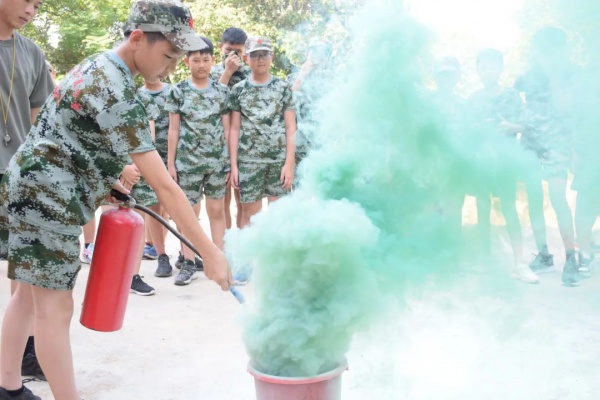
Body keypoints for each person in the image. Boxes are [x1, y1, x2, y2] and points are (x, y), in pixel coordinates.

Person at [0, 1, 231, 399]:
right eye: (169, 55)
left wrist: (104, 180)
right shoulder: (117, 88)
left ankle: (7, 385)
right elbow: (166, 187)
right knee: (55, 311)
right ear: (138, 38)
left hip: (32, 186)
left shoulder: (99, 65)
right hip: (46, 198)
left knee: (25, 295)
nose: (172, 67)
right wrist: (209, 252)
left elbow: (69, 137)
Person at [0, 0, 55, 387]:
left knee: (25, 274)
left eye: (38, 4)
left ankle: (24, 353)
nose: (31, 9)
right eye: (26, 0)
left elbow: (42, 121)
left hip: (18, 177)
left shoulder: (31, 52)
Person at [468, 49, 540, 284]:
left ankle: (519, 264)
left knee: (509, 209)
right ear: (478, 70)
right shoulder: (473, 100)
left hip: (504, 163)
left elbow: (525, 127)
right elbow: (465, 133)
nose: (489, 70)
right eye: (484, 66)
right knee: (482, 210)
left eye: (493, 66)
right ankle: (484, 262)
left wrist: (510, 126)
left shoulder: (511, 96)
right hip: (480, 163)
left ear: (500, 69)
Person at [515, 27, 579, 287]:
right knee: (533, 198)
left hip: (557, 143)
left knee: (557, 198)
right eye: (541, 48)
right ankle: (543, 255)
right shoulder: (528, 75)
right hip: (531, 142)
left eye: (552, 48)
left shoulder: (571, 73)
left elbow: (566, 107)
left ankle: (572, 259)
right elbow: (518, 99)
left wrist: (553, 74)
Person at [165, 37, 230, 286]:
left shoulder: (222, 92)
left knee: (216, 211)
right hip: (187, 163)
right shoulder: (178, 91)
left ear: (213, 61)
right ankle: (189, 261)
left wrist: (228, 163)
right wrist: (171, 164)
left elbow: (227, 129)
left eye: (205, 60)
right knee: (188, 214)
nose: (201, 65)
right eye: (196, 60)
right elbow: (173, 129)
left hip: (216, 163)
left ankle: (219, 259)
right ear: (187, 61)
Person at [229, 36, 296, 228]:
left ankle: (276, 258)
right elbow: (234, 129)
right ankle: (247, 258)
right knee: (249, 215)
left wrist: (289, 163)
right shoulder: (238, 90)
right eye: (255, 55)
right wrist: (234, 165)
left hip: (278, 162)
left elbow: (291, 127)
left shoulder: (283, 88)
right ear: (246, 58)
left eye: (264, 54)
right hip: (249, 162)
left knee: (279, 216)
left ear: (271, 57)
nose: (260, 59)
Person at [210, 27, 250, 230]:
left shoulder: (251, 74)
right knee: (221, 200)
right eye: (228, 51)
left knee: (245, 199)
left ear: (244, 51)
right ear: (220, 48)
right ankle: (224, 247)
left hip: (245, 144)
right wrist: (227, 72)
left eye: (237, 51)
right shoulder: (211, 72)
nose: (232, 56)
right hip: (218, 144)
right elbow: (210, 102)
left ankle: (241, 248)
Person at [137, 78, 175, 278]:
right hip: (148, 157)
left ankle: (186, 255)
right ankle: (161, 255)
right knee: (154, 207)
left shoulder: (173, 92)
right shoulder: (138, 95)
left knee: (171, 206)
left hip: (173, 158)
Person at [288, 37, 333, 168]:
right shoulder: (293, 78)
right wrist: (302, 75)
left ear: (328, 57)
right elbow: (287, 105)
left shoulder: (334, 80)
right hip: (299, 145)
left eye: (322, 52)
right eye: (313, 51)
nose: (316, 55)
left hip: (324, 143)